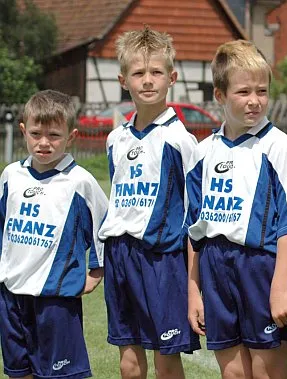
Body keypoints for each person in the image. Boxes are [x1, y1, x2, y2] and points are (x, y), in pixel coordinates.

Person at [185, 39, 287, 379]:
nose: (254, 101)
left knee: (267, 371)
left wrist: (280, 288)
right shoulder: (203, 152)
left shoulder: (279, 147)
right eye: (243, 92)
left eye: (262, 91)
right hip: (215, 267)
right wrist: (193, 290)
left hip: (262, 267)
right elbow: (194, 230)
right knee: (234, 373)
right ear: (220, 95)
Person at [98, 26, 199, 379]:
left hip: (161, 257)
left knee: (166, 357)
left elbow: (193, 209)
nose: (147, 80)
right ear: (123, 79)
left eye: (156, 72)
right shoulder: (115, 139)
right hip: (120, 255)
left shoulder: (181, 140)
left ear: (171, 77)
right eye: (138, 73)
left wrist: (192, 274)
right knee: (128, 356)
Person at [0, 89, 108, 379]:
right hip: (11, 296)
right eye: (36, 133)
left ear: (71, 136)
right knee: (18, 371)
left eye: (54, 135)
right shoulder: (11, 175)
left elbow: (105, 226)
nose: (44, 143)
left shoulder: (80, 182)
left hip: (56, 299)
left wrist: (96, 273)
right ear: (24, 131)